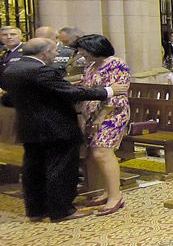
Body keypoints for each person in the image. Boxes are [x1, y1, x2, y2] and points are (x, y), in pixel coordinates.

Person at [1, 38, 126, 222]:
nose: (57, 54)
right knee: (60, 169)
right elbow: (70, 93)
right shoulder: (42, 70)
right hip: (55, 127)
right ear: (44, 53)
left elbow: (9, 99)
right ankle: (62, 210)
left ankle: (36, 210)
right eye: (54, 51)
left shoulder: (12, 69)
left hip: (30, 127)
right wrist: (108, 90)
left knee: (33, 170)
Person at [75, 34, 132, 216]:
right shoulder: (91, 65)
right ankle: (107, 191)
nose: (82, 54)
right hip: (91, 113)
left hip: (112, 113)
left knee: (102, 151)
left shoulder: (116, 64)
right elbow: (86, 86)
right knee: (96, 153)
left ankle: (116, 196)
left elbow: (117, 93)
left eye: (85, 50)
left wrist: (100, 117)